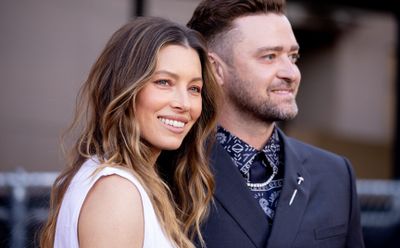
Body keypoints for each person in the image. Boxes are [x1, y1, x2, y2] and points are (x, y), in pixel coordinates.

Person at [186, 0, 365, 247]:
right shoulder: (172, 170)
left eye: (293, 56)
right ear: (215, 68)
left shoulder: (335, 175)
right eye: (269, 56)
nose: (291, 73)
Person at [39, 16, 220, 248]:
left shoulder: (124, 183)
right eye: (164, 82)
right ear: (125, 88)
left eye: (194, 88)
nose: (184, 103)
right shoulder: (117, 192)